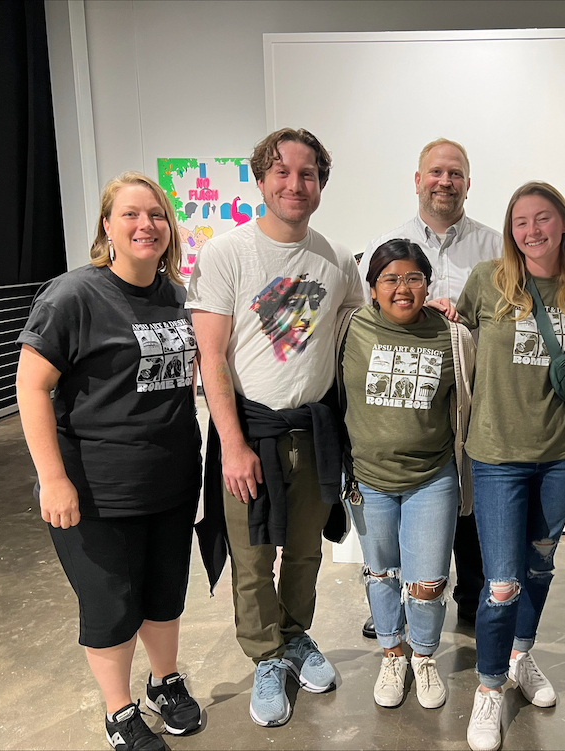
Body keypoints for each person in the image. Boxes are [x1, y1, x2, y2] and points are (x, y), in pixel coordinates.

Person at [16, 172, 203, 751]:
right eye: (131, 215)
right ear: (107, 227)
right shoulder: (74, 295)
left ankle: (164, 681)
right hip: (97, 488)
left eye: (156, 215)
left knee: (164, 593)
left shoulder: (177, 293)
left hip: (171, 480)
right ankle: (119, 711)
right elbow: (30, 386)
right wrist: (53, 478)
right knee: (111, 604)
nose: (146, 225)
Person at [187, 128, 365, 728]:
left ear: (321, 184)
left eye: (309, 174)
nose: (296, 184)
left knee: (308, 551)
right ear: (261, 179)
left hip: (314, 432)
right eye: (283, 172)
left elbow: (354, 337)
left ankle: (295, 637)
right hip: (251, 432)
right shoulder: (226, 254)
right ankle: (265, 655)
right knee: (254, 554)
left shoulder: (337, 259)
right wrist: (231, 446)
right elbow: (211, 358)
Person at [456, 181, 565, 751]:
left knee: (540, 566)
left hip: (561, 455)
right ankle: (488, 690)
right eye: (520, 222)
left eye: (543, 219)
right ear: (510, 231)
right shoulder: (487, 281)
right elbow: (455, 334)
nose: (532, 231)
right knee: (501, 583)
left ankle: (520, 657)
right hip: (497, 457)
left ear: (563, 223)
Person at [357, 138, 500, 634]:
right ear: (418, 181)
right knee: (398, 523)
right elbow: (367, 324)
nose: (445, 181)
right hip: (404, 406)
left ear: (468, 183)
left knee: (469, 518)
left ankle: (468, 607)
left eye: (455, 173)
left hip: (472, 403)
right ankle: (391, 613)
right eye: (436, 172)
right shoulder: (387, 244)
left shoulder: (495, 247)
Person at [337, 239, 475, 709]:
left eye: (414, 278)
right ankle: (392, 652)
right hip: (368, 479)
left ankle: (424, 655)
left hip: (431, 478)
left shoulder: (451, 335)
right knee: (380, 573)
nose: (402, 289)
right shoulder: (350, 327)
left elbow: (470, 403)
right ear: (372, 287)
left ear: (428, 284)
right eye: (390, 279)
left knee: (428, 580)